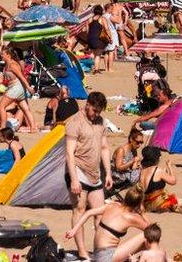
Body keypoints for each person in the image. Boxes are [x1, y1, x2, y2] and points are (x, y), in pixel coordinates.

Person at [65, 91, 113, 261]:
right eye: (95, 111)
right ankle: (83, 252)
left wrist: (108, 173)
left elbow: (105, 148)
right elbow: (69, 154)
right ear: (88, 105)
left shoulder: (101, 122)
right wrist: (74, 179)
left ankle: (99, 250)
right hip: (77, 169)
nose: (96, 115)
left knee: (100, 213)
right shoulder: (74, 122)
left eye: (99, 112)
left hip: (95, 173)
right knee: (79, 210)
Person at [64, 187, 150, 262]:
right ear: (138, 204)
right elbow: (152, 231)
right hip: (107, 257)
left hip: (98, 253)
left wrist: (73, 230)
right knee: (146, 236)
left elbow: (89, 213)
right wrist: (143, 212)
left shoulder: (112, 205)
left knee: (147, 241)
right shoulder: (131, 217)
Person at [0, 46, 37, 132]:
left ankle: (3, 127)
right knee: (25, 109)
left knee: (1, 106)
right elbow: (4, 79)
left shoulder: (13, 65)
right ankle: (33, 128)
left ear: (8, 55)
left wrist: (28, 87)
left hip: (16, 88)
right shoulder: (7, 65)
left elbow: (22, 77)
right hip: (17, 89)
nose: (1, 56)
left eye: (3, 54)